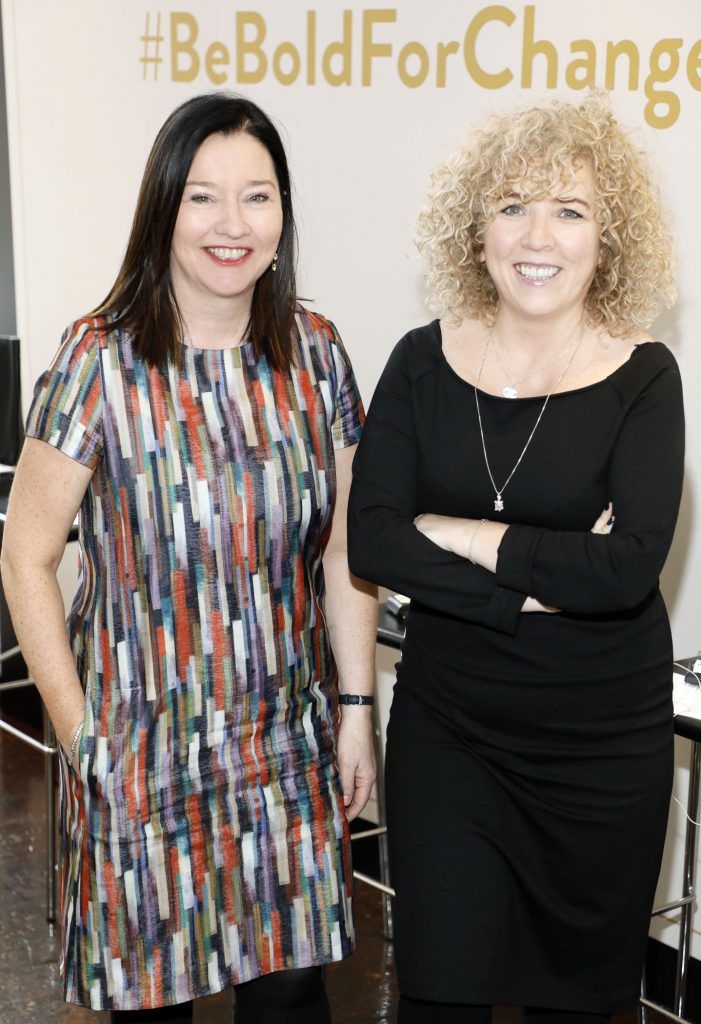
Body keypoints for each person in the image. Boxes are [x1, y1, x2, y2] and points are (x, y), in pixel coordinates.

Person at [0, 92, 377, 1022]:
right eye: (203, 197)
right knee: (148, 1000)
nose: (230, 223)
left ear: (283, 217)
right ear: (161, 208)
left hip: (283, 748)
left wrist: (359, 709)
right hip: (139, 751)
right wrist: (79, 729)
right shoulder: (98, 362)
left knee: (293, 1000)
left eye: (257, 196)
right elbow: (24, 557)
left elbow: (343, 550)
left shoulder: (317, 356)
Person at [348, 92, 683, 1023]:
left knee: (577, 1009)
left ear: (606, 238)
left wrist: (458, 535)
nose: (538, 236)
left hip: (599, 754)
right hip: (450, 735)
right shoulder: (420, 360)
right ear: (476, 229)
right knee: (438, 997)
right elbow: (372, 537)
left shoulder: (645, 376)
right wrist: (531, 585)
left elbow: (625, 570)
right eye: (511, 206)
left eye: (569, 210)